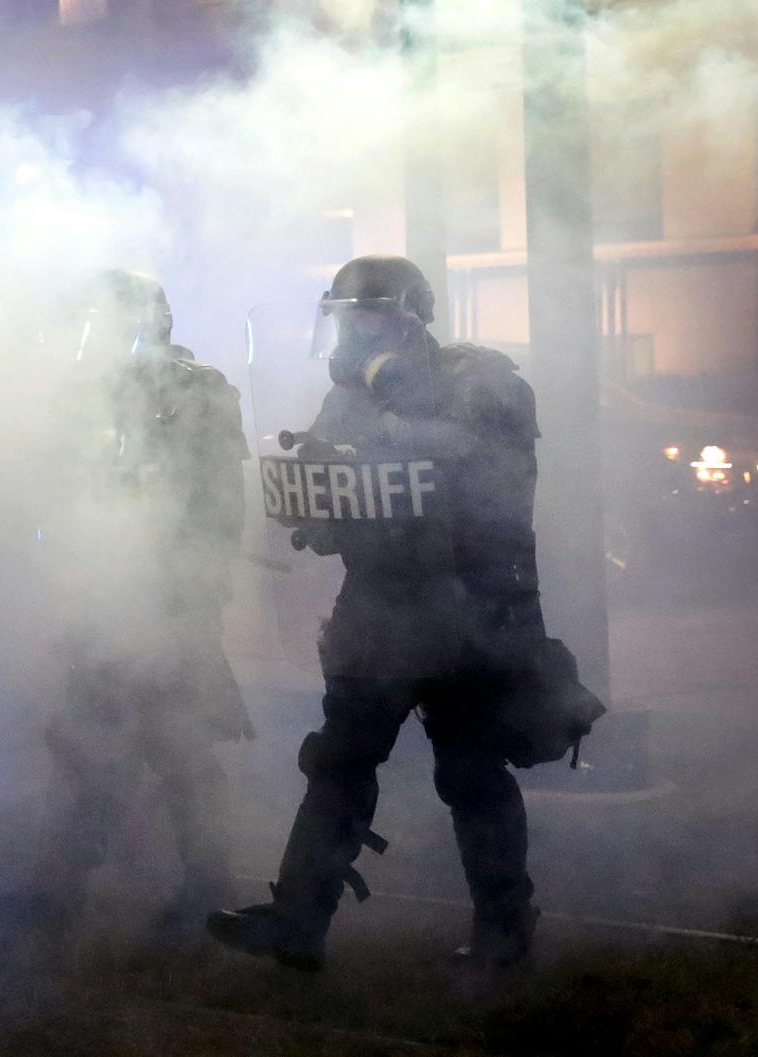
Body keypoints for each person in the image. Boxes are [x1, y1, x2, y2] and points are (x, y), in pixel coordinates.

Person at [207, 255, 594, 971]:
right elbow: (345, 489)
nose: (350, 336)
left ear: (410, 319)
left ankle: (505, 932)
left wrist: (391, 383)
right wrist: (319, 513)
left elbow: (474, 466)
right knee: (342, 760)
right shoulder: (348, 396)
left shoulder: (484, 381)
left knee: (473, 772)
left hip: (465, 609)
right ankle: (299, 917)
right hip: (380, 606)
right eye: (344, 321)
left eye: (366, 319)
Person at [0, 269, 252, 935]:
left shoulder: (198, 392)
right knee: (87, 739)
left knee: (177, 744)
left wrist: (189, 585)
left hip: (167, 596)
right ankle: (66, 883)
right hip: (104, 592)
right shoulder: (90, 393)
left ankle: (204, 881)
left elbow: (217, 503)